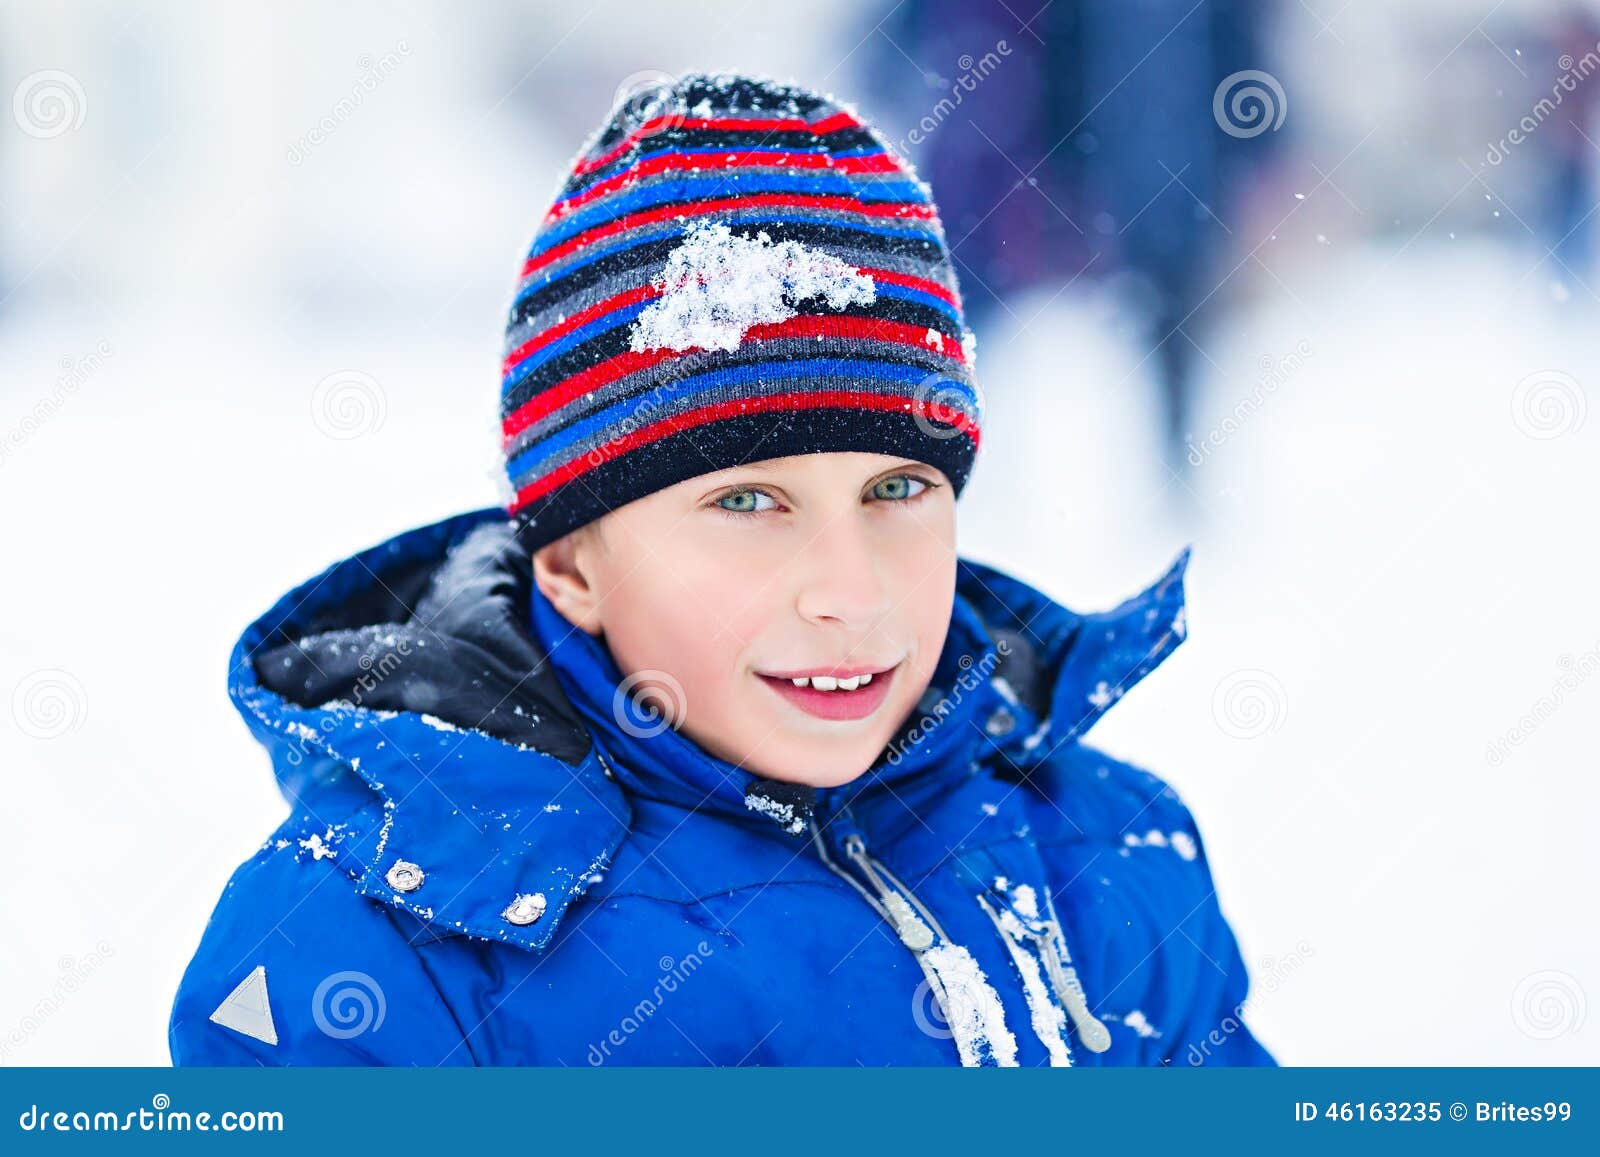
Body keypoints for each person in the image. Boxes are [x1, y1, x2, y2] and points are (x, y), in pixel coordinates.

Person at [167, 72, 1274, 1067]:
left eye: (896, 490)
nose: (849, 589)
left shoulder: (1108, 860)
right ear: (569, 561)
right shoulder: (375, 959)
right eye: (747, 501)